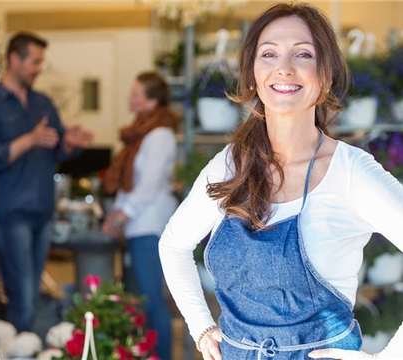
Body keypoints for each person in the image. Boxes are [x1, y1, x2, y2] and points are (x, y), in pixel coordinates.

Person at [159, 3, 403, 360]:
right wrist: (201, 326)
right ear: (253, 74)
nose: (284, 68)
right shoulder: (231, 163)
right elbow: (173, 245)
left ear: (327, 74)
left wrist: (389, 357)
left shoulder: (351, 171)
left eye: (303, 54)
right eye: (269, 54)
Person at [0, 32, 93, 332]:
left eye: (41, 62)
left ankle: (26, 344)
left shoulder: (43, 102)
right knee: (23, 294)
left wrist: (70, 142)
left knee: (33, 293)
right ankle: (21, 349)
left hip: (43, 210)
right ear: (14, 59)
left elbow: (57, 150)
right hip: (13, 212)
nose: (39, 68)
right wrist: (30, 139)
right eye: (35, 61)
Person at [102, 71, 178, 360]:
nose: (129, 98)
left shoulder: (160, 135)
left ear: (152, 100)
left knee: (152, 300)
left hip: (149, 225)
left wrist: (121, 214)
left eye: (136, 94)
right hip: (138, 225)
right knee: (139, 300)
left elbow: (150, 184)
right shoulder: (142, 132)